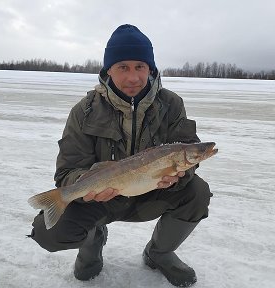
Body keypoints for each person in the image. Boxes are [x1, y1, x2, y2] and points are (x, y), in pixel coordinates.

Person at [29, 24, 213, 287]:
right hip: (103, 198)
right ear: (108, 70)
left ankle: (158, 253)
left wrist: (180, 175)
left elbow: (188, 147)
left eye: (140, 66)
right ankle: (92, 242)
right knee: (50, 232)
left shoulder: (171, 104)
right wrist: (87, 182)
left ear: (150, 69)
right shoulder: (84, 112)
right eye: (123, 67)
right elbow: (67, 172)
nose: (133, 78)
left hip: (152, 191)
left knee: (197, 192)